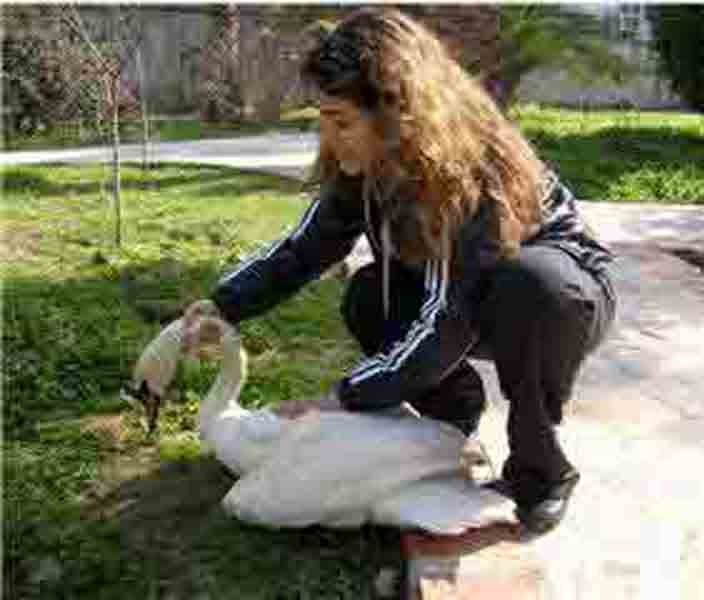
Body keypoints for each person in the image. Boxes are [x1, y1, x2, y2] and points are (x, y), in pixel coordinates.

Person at [182, 8, 618, 537]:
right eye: (321, 117)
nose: (329, 136)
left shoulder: (473, 171)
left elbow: (448, 317)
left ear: (397, 114)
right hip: (470, 293)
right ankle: (450, 413)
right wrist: (225, 303)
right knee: (369, 295)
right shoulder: (365, 163)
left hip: (560, 299)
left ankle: (542, 472)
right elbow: (303, 249)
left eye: (341, 120)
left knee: (531, 284)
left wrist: (341, 398)